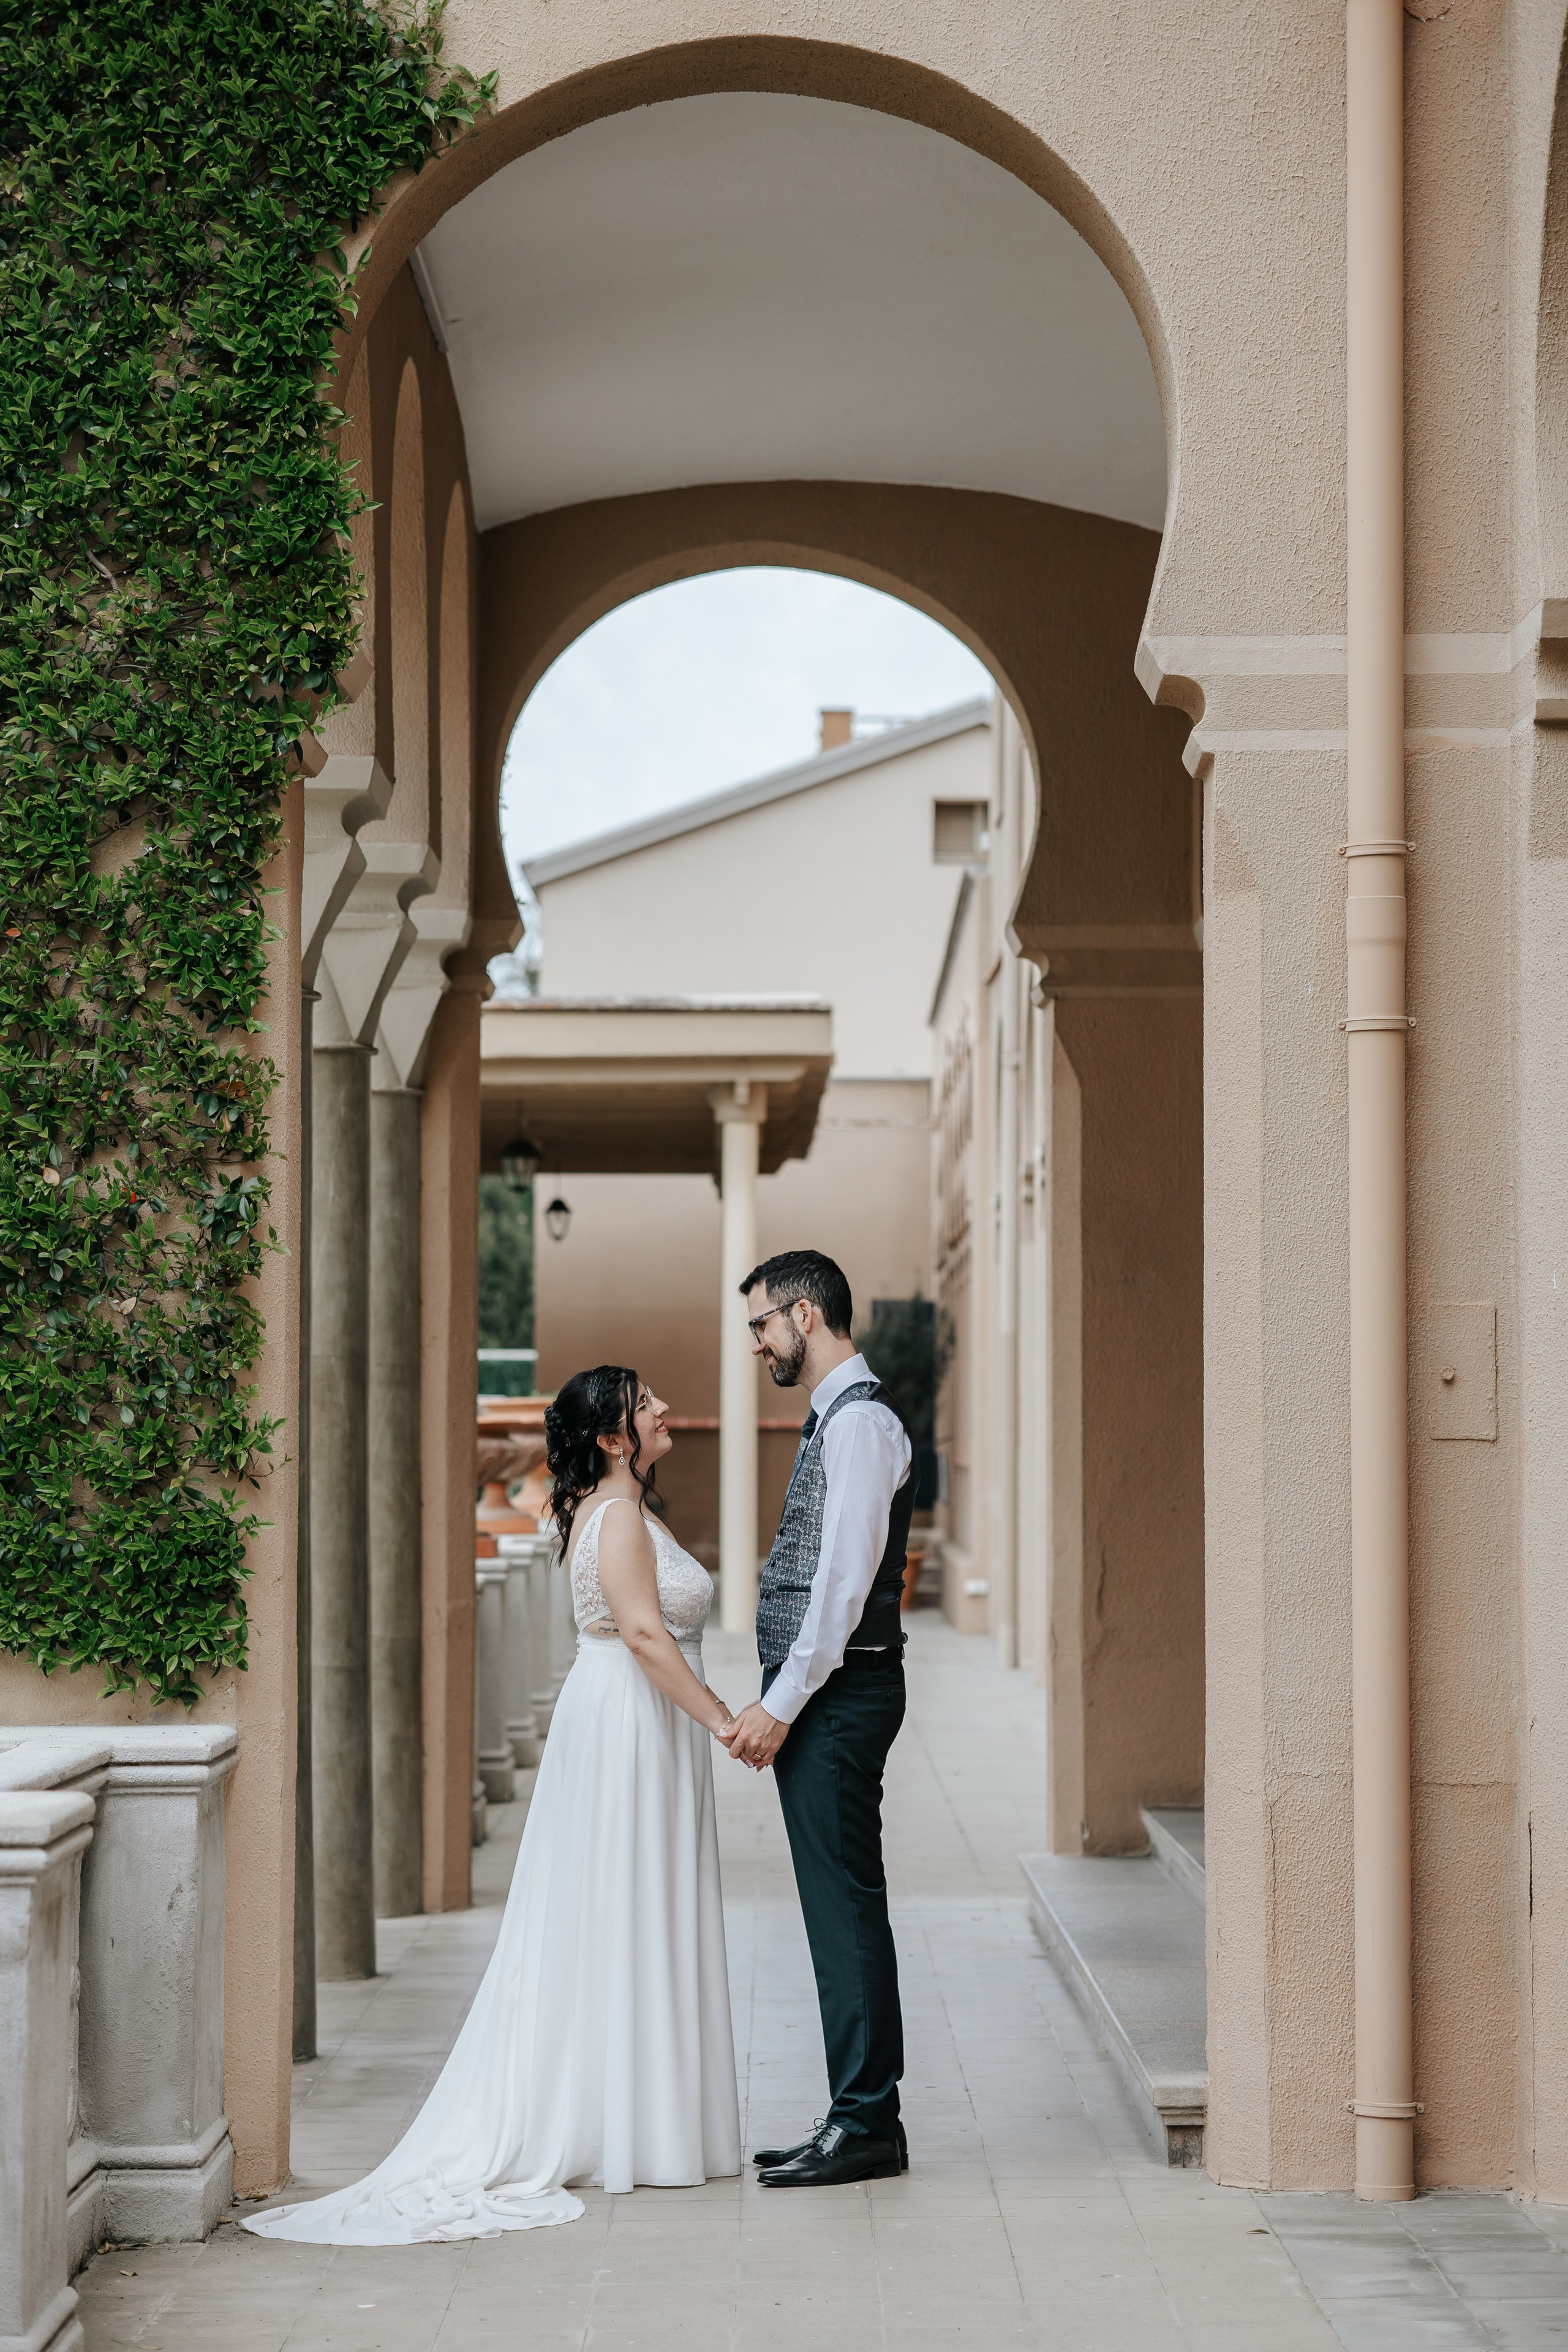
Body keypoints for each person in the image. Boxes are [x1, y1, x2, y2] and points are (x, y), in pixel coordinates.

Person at [244, 1368, 741, 2244]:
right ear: (616, 1439)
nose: (665, 1409)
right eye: (648, 1403)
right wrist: (722, 1721)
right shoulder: (619, 1517)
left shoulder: (617, 1507)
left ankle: (640, 2116)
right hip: (631, 1719)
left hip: (631, 1716)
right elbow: (642, 1633)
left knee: (626, 1911)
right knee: (625, 1907)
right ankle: (629, 2124)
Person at [719, 1250, 915, 2188]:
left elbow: (842, 1587)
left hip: (841, 1695)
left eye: (762, 1323)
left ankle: (868, 2122)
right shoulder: (838, 1419)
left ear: (804, 1312)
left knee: (844, 1908)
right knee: (836, 1908)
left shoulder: (863, 1426)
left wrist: (778, 1705)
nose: (757, 1341)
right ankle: (856, 2113)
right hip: (832, 1694)